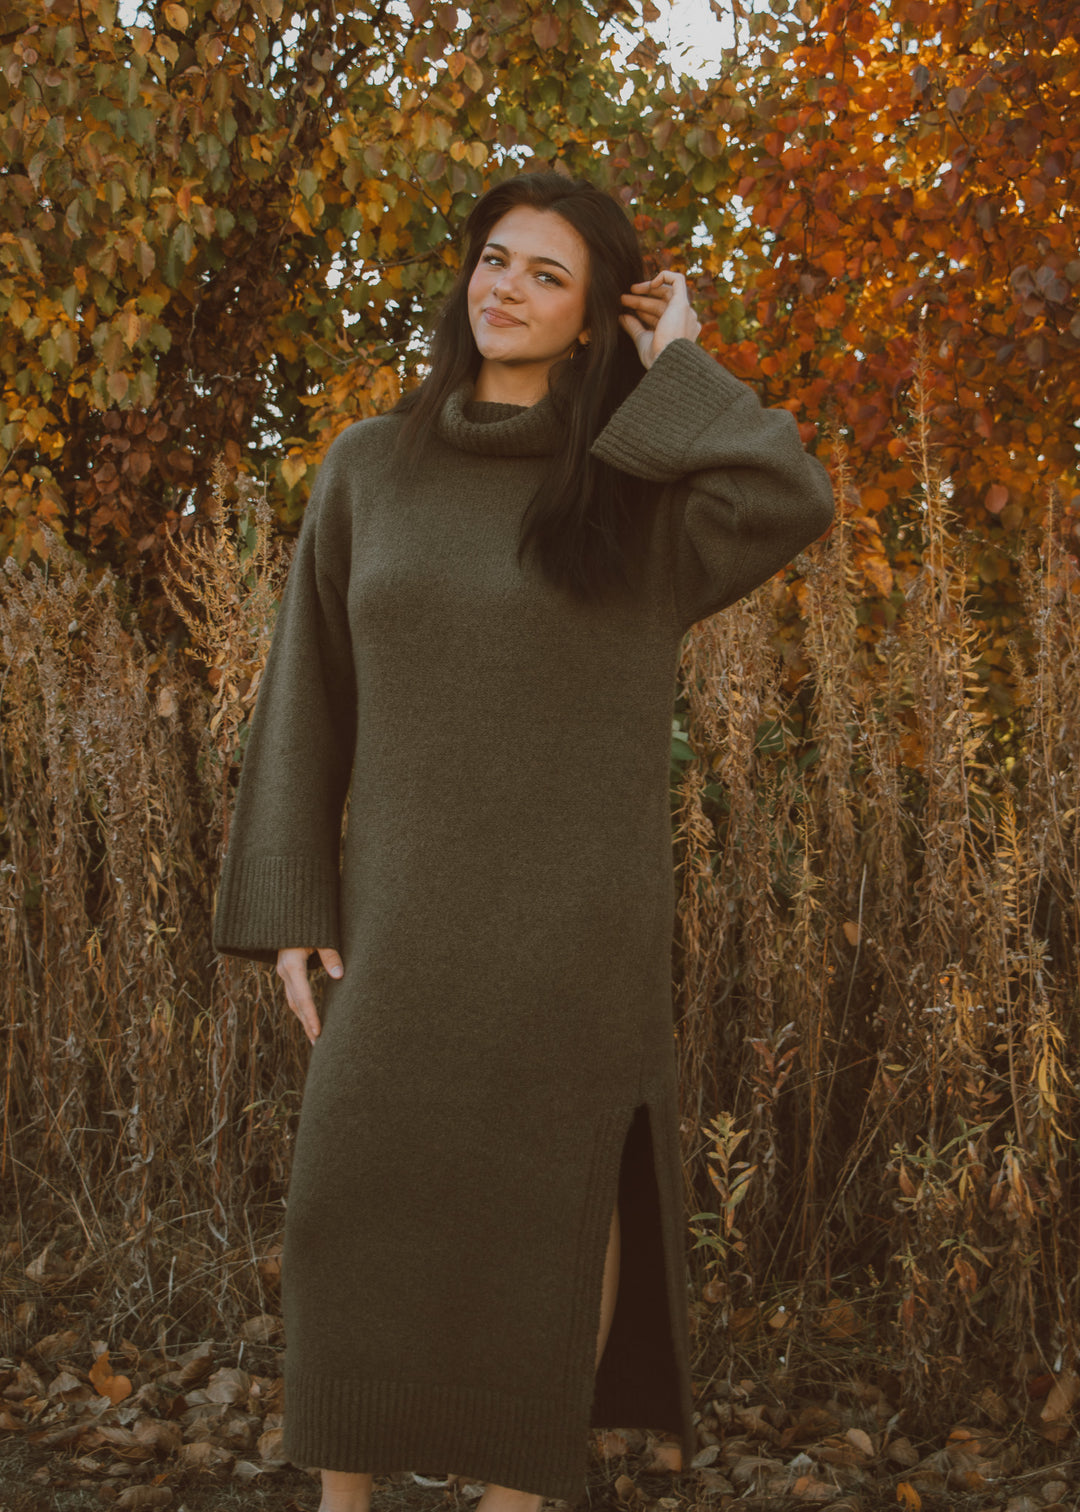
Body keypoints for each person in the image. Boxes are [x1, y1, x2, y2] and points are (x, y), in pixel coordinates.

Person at [212, 169, 835, 1512]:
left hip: (574, 927)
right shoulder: (370, 465)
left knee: (553, 1214)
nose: (509, 287)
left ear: (594, 316)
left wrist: (680, 364)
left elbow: (791, 494)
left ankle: (516, 1499)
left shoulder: (635, 494)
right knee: (345, 1210)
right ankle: (346, 1500)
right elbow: (305, 686)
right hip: (400, 917)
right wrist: (290, 903)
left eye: (549, 275)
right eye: (498, 259)